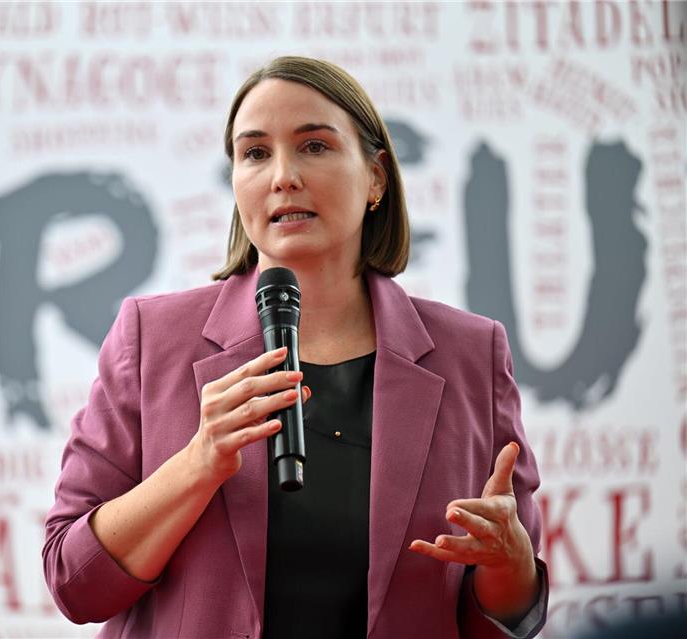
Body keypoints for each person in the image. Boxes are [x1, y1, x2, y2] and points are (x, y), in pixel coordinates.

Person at [43, 56, 548, 638]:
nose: (283, 175)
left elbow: (507, 618)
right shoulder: (149, 337)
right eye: (255, 153)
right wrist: (197, 463)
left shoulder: (471, 353)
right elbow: (73, 582)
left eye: (314, 146)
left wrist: (509, 565)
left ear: (376, 177)